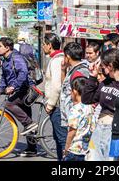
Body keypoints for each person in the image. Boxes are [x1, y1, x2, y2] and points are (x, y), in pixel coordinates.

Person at [82, 48, 119, 161]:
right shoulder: (106, 82)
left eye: (103, 65)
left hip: (116, 131)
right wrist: (92, 76)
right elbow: (87, 99)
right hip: (99, 129)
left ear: (111, 65)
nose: (101, 68)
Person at [0, 37, 38, 156]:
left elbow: (23, 73)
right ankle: (32, 149)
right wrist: (0, 89)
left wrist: (13, 86)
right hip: (19, 89)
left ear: (7, 48)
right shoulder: (5, 60)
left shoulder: (16, 57)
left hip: (26, 89)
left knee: (8, 104)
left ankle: (30, 124)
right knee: (27, 117)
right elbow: (4, 77)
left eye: (0, 46)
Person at [42, 33, 67, 161]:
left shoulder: (57, 60)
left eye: (44, 44)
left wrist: (50, 104)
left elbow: (57, 86)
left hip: (58, 107)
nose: (42, 47)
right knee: (58, 138)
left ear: (49, 45)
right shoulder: (55, 58)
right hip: (57, 106)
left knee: (62, 140)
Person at [63, 76, 96, 161]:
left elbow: (72, 132)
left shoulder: (76, 109)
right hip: (86, 149)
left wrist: (66, 148)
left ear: (75, 92)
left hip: (74, 150)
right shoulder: (91, 106)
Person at [60, 43, 90, 132]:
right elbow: (65, 87)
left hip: (76, 118)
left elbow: (81, 97)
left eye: (64, 56)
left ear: (68, 57)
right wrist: (63, 70)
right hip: (70, 115)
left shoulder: (80, 72)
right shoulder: (72, 69)